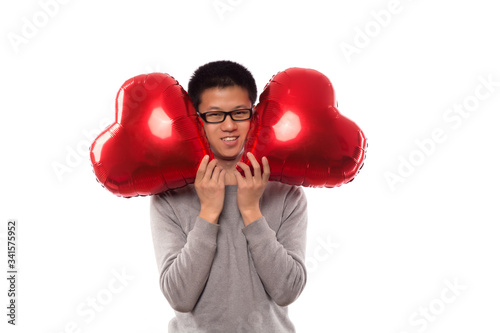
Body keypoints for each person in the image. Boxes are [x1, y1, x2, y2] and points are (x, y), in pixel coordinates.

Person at [150, 60, 308, 332]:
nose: (229, 126)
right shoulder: (169, 196)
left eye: (239, 113)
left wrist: (251, 211)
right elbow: (179, 297)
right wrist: (208, 212)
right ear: (196, 120)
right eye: (214, 115)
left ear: (255, 115)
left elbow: (287, 290)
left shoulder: (287, 192)